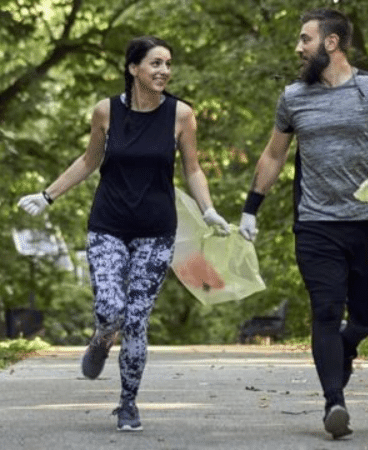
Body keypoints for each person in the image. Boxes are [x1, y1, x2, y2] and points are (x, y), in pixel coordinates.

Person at [18, 36, 230, 432]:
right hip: (108, 227)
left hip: (156, 232)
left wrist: (210, 211)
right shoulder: (106, 111)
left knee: (135, 319)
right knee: (110, 310)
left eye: (168, 64)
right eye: (155, 63)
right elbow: (88, 161)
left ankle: (127, 403)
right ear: (134, 68)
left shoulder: (182, 115)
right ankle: (101, 338)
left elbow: (193, 169)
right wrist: (47, 196)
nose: (164, 71)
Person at [239, 9, 368, 439]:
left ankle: (344, 350)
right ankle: (333, 403)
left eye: (305, 39)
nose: (299, 48)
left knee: (362, 319)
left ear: (332, 43)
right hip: (316, 223)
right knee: (324, 309)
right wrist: (250, 208)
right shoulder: (293, 97)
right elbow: (273, 155)